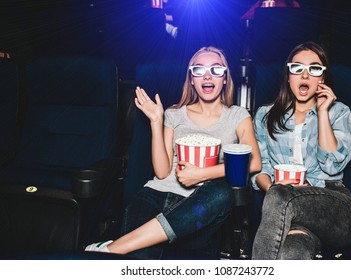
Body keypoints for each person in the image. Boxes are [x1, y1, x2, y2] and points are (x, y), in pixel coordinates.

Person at [85, 46, 261, 258]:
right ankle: (126, 246)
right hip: (155, 196)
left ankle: (114, 247)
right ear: (192, 79)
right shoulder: (174, 114)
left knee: (223, 193)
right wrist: (156, 122)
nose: (207, 75)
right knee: (141, 260)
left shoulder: (238, 115)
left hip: (200, 207)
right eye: (199, 70)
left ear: (225, 78)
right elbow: (161, 172)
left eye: (216, 70)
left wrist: (202, 174)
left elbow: (254, 164)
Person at [251, 41, 351, 260]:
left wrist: (322, 112)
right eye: (297, 68)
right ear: (288, 76)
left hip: (336, 206)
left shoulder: (338, 112)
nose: (304, 75)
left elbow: (332, 165)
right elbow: (259, 171)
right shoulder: (264, 116)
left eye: (314, 69)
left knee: (279, 195)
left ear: (322, 78)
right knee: (292, 252)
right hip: (289, 213)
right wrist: (276, 191)